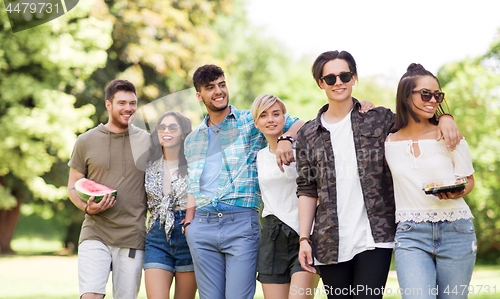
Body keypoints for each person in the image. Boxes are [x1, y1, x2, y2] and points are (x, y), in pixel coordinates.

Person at [296, 51, 463, 299]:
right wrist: (304, 239)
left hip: (376, 237)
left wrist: (445, 118)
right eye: (330, 78)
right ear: (321, 83)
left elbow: (417, 122)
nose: (338, 82)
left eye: (344, 75)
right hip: (330, 240)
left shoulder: (379, 119)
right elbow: (307, 189)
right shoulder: (308, 134)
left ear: (354, 78)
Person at [183, 64, 304, 299]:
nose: (219, 91)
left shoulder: (252, 120)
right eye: (210, 88)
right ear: (199, 96)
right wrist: (189, 224)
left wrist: (287, 139)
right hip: (202, 225)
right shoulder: (192, 138)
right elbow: (193, 184)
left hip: (240, 223)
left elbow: (302, 123)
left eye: (222, 85)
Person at [385, 63, 476, 299]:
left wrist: (457, 192)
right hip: (410, 233)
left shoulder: (449, 134)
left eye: (438, 95)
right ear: (406, 96)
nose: (433, 100)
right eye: (425, 94)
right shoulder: (388, 141)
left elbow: (468, 180)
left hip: (457, 229)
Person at [67, 79, 150, 299]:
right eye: (122, 102)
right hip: (96, 232)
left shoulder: (148, 141)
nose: (128, 108)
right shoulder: (85, 141)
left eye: (132, 103)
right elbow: (73, 187)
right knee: (90, 296)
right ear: (108, 105)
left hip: (132, 236)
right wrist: (87, 208)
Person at [251, 94, 320, 299]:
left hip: (305, 234)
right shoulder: (258, 157)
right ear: (256, 123)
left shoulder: (304, 150)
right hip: (272, 237)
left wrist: (286, 138)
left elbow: (312, 122)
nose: (270, 119)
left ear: (284, 118)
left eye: (276, 114)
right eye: (263, 115)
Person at [143, 111, 197, 299]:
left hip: (187, 233)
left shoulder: (194, 165)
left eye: (173, 127)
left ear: (183, 134)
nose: (166, 130)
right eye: (162, 127)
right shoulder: (148, 165)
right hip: (157, 235)